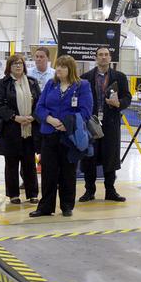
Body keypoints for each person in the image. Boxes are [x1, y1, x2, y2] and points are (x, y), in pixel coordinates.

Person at [30, 55, 93, 218]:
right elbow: (39, 107)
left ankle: (66, 206)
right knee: (48, 173)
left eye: (63, 67)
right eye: (57, 66)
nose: (58, 69)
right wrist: (49, 119)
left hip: (69, 136)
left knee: (68, 172)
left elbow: (86, 111)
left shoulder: (82, 86)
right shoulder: (51, 84)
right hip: (49, 134)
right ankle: (45, 207)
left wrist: (67, 124)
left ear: (70, 69)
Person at [79, 46, 131, 203]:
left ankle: (110, 190)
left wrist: (118, 103)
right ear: (95, 58)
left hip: (111, 123)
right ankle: (89, 191)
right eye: (100, 55)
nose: (103, 57)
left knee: (111, 157)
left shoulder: (120, 77)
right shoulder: (85, 77)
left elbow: (127, 97)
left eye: (106, 55)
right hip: (91, 123)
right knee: (89, 156)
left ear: (110, 58)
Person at [0, 54, 40, 204]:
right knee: (11, 163)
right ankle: (13, 194)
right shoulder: (3, 83)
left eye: (20, 63)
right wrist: (15, 117)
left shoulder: (32, 82)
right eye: (14, 64)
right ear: (9, 67)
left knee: (29, 163)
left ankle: (32, 194)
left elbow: (40, 102)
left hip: (30, 128)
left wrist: (33, 117)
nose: (18, 66)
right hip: (11, 129)